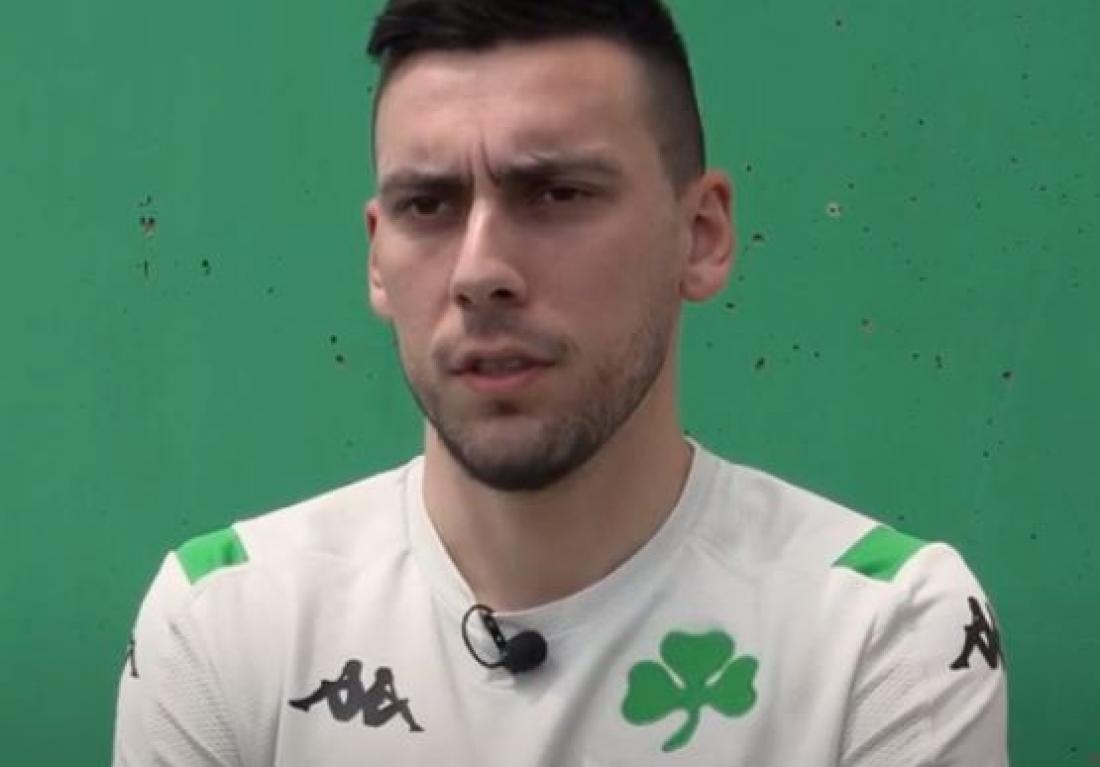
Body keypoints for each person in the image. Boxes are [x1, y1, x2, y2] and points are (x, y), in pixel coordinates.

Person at [111, 0, 1009, 764]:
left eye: (555, 194)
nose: (480, 271)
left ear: (700, 235)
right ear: (377, 259)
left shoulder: (882, 631)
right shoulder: (227, 619)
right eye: (428, 205)